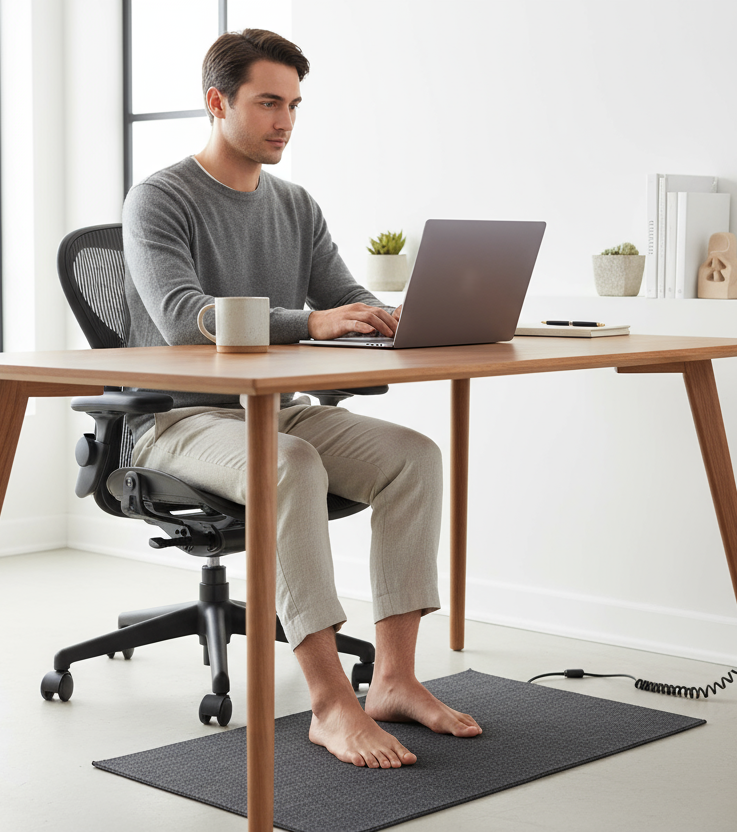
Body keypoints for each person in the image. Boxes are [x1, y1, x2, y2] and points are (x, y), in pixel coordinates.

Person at [121, 28, 481, 769]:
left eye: (293, 104)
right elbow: (185, 314)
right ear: (217, 103)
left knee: (413, 456)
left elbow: (342, 294)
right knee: (289, 463)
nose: (284, 121)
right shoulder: (159, 199)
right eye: (266, 103)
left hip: (275, 404)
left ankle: (393, 679)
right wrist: (313, 322)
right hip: (177, 418)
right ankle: (328, 704)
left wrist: (387, 317)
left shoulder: (295, 204)